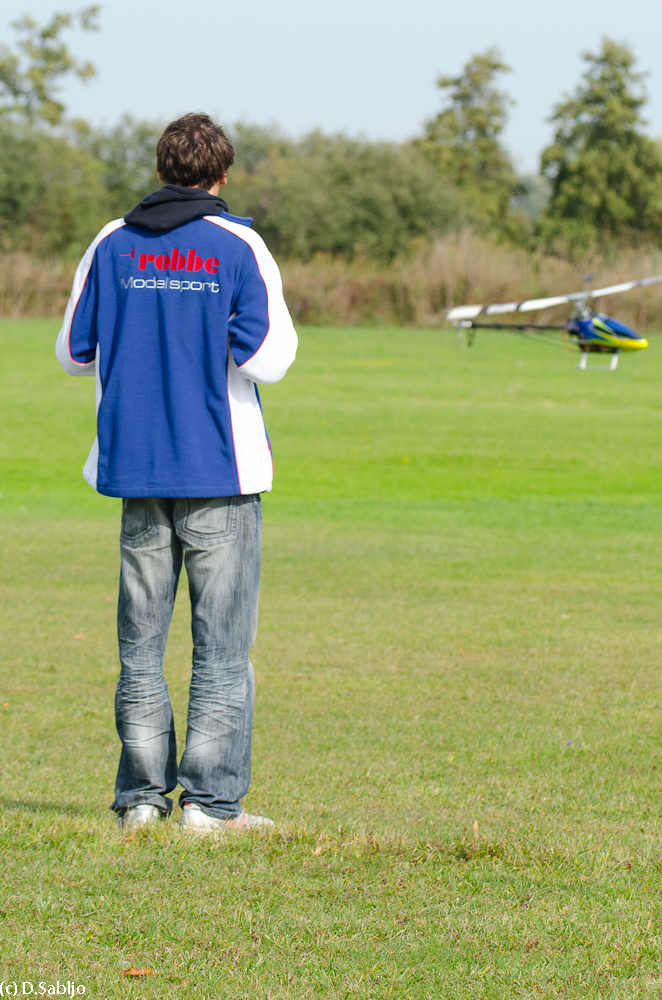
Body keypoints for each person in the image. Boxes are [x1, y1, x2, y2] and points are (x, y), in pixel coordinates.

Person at [55, 113, 297, 832]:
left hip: (136, 468)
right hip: (219, 470)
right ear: (221, 175)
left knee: (140, 645)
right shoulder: (239, 244)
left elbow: (73, 351)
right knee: (221, 646)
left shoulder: (112, 241)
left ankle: (141, 800)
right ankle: (211, 806)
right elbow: (269, 359)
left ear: (161, 170)